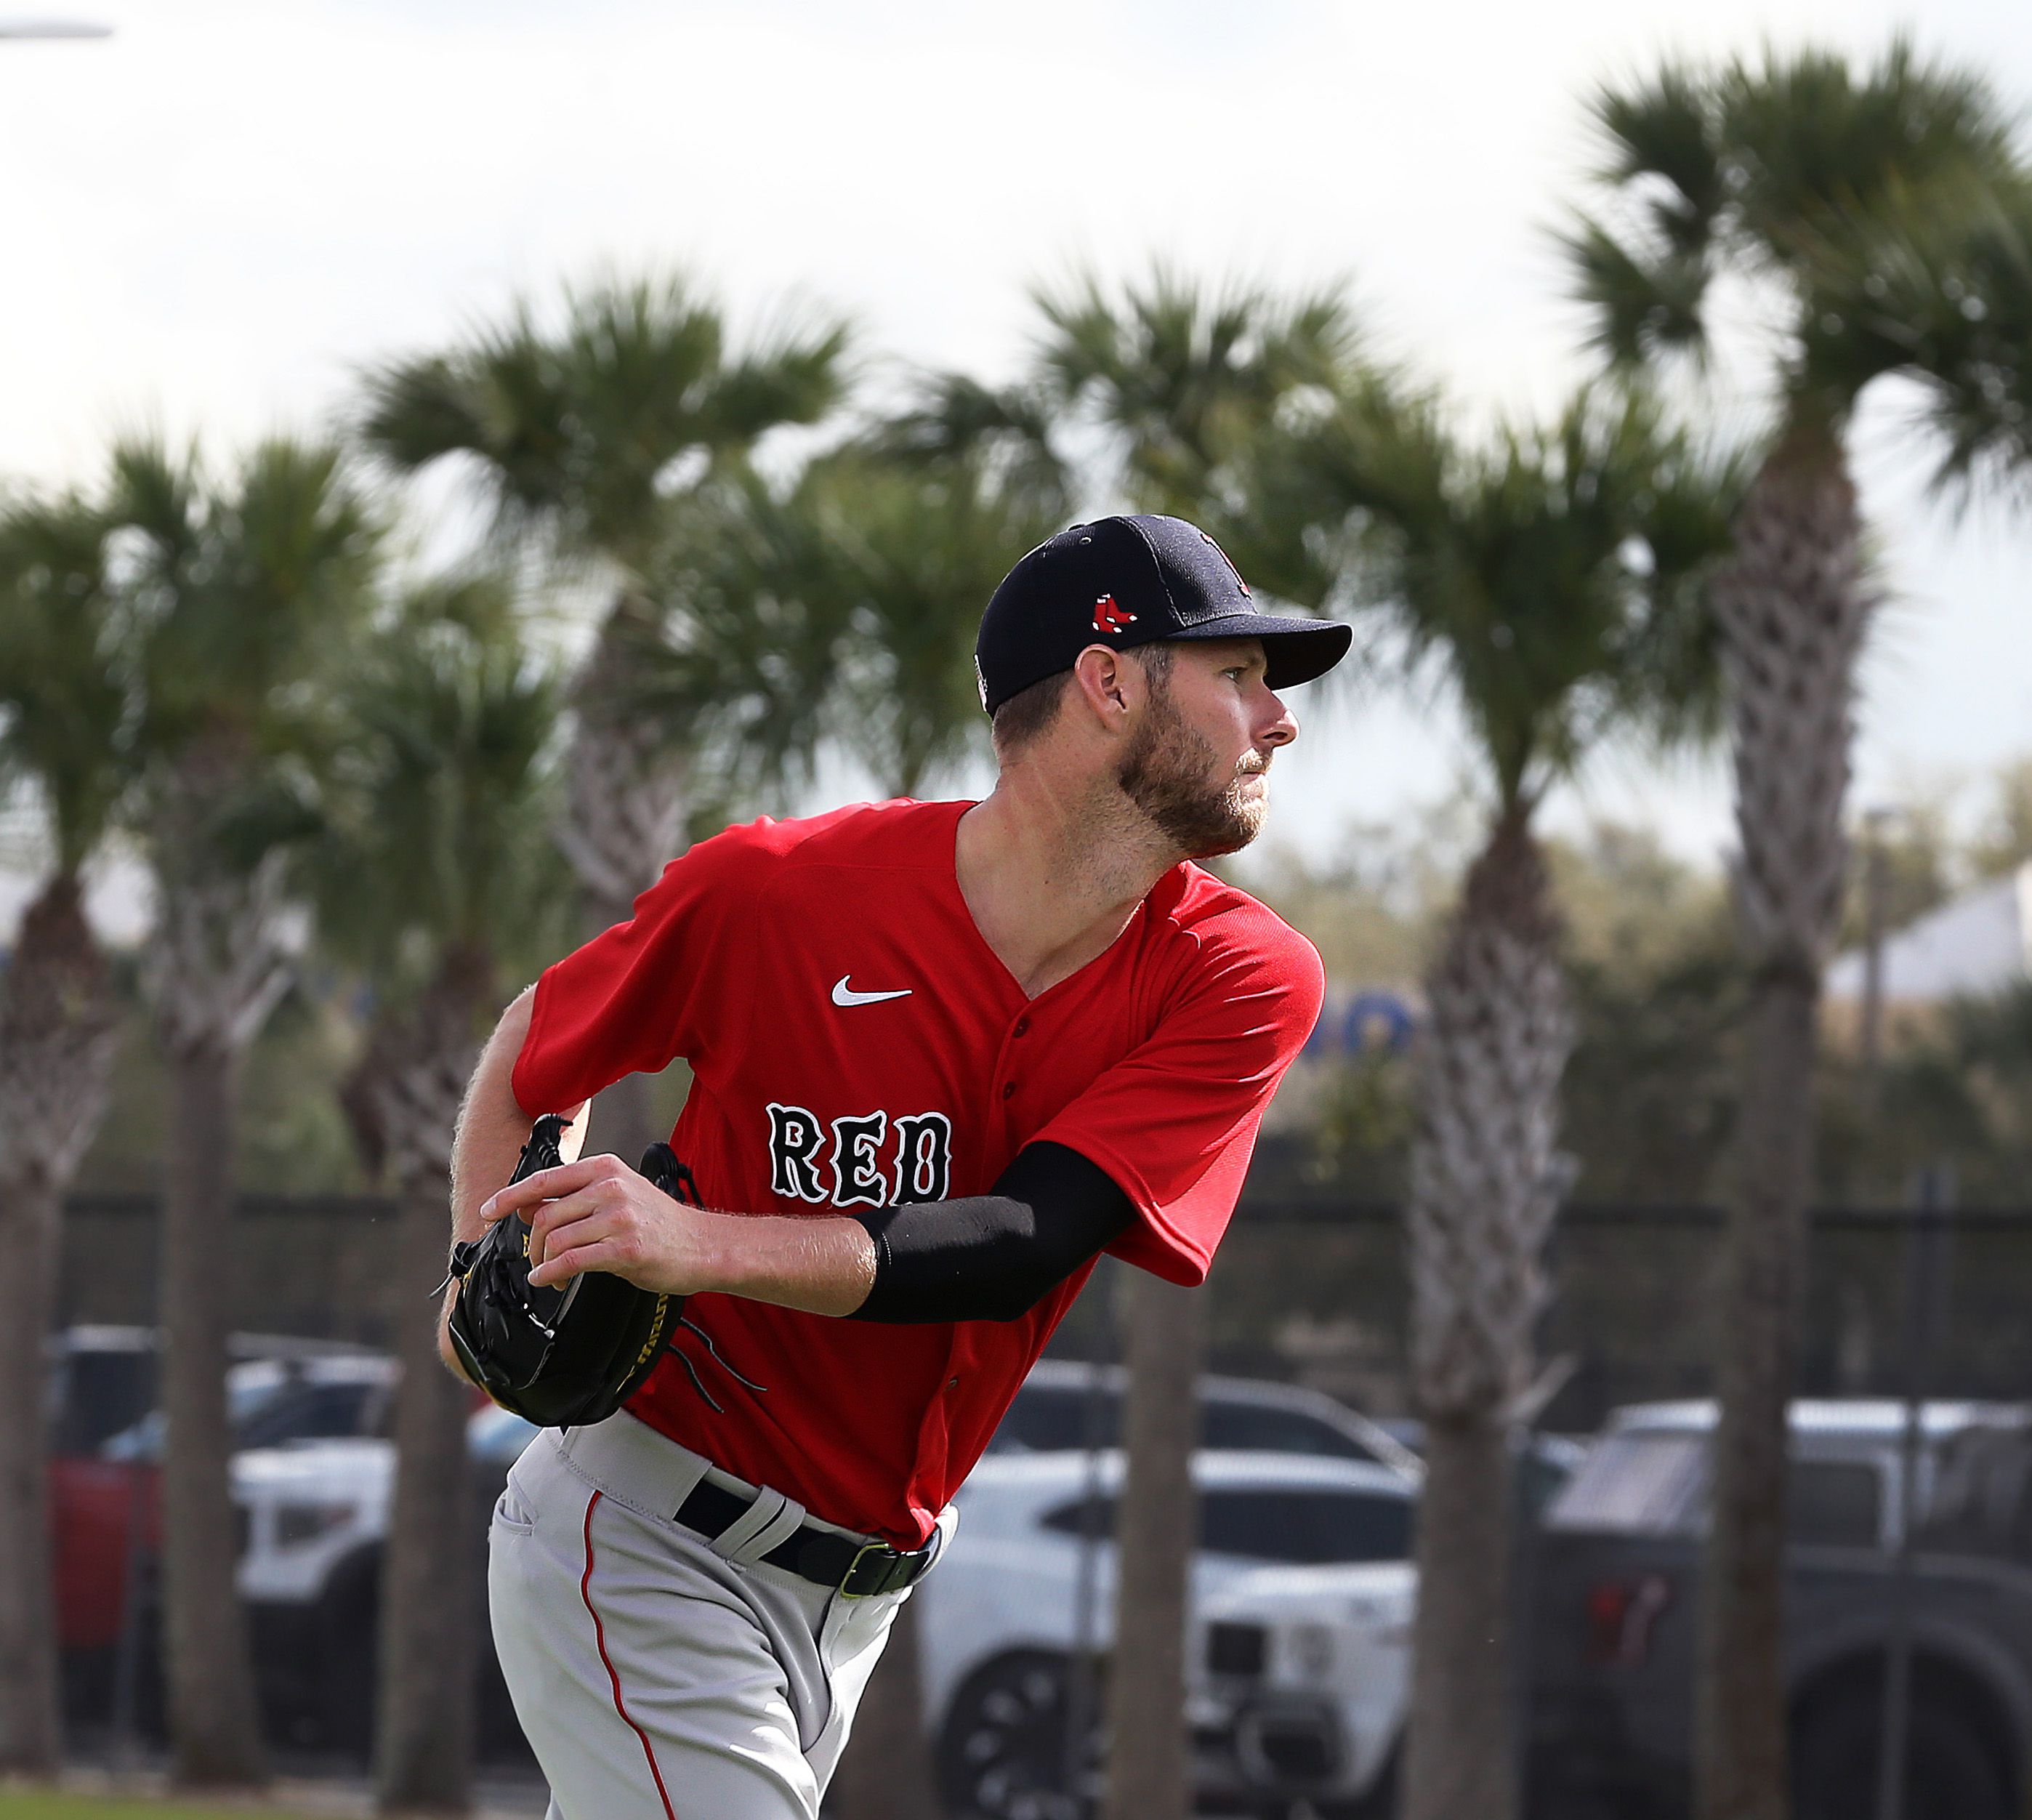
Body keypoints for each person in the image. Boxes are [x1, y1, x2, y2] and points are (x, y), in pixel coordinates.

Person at [438, 514, 1351, 1820]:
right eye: (1237, 674)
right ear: (1108, 680)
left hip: (852, 1611)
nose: (1279, 721)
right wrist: (489, 1257)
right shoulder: (780, 891)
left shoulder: (1239, 973)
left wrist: (698, 1240)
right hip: (641, 1543)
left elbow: (1025, 1236)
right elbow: (545, 1035)